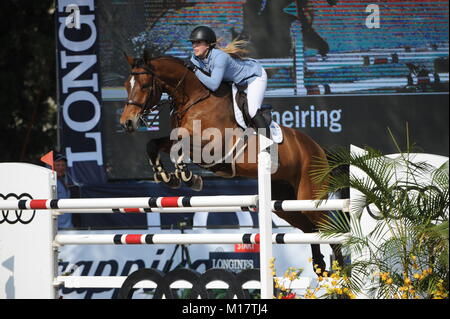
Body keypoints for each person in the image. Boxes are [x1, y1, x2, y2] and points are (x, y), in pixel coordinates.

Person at [186, 25, 271, 139]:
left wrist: (195, 70)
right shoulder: (195, 59)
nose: (194, 46)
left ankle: (268, 146)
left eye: (198, 43)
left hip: (254, 77)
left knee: (251, 110)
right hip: (235, 82)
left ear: (208, 45)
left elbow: (214, 85)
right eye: (193, 43)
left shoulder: (219, 57)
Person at [54, 152, 74, 229]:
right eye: (58, 165)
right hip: (57, 226)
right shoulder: (50, 182)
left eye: (63, 165)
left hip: (68, 224)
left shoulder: (66, 179)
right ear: (53, 166)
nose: (61, 167)